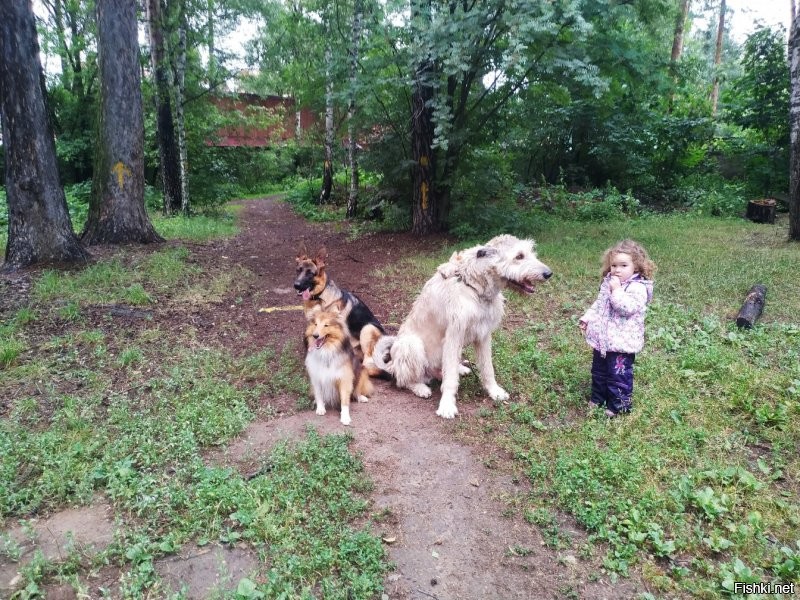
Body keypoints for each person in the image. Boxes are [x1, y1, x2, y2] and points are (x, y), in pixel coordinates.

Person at [579, 240, 655, 417]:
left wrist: (617, 290)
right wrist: (587, 318)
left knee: (618, 376)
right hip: (603, 340)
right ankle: (598, 398)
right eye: (614, 265)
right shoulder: (609, 282)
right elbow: (599, 304)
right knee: (599, 372)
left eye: (623, 265)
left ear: (636, 267)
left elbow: (626, 308)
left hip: (622, 343)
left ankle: (619, 406)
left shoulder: (638, 288)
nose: (617, 270)